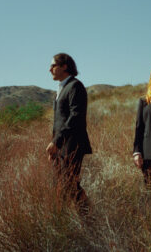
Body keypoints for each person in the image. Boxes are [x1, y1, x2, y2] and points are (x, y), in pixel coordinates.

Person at [46, 53, 92, 211]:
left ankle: (87, 216)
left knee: (70, 183)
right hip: (61, 147)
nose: (50, 69)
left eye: (53, 65)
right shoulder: (61, 89)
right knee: (62, 184)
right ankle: (69, 218)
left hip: (73, 145)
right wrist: (55, 146)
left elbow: (76, 117)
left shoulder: (75, 86)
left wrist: (56, 142)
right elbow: (59, 122)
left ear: (64, 66)